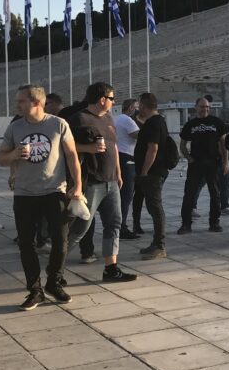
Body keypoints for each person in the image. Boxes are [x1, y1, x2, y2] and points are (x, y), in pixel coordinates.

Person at [0, 85, 83, 309]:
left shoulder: (58, 124)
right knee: (26, 244)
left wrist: (78, 186)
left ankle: (54, 282)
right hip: (25, 194)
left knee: (60, 242)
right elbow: (1, 158)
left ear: (36, 103)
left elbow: (72, 155)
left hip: (54, 191)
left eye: (21, 101)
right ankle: (35, 290)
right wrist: (14, 155)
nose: (17, 105)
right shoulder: (15, 127)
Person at [66, 83, 138, 282]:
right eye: (112, 99)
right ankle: (56, 267)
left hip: (111, 181)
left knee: (114, 223)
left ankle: (111, 268)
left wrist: (118, 172)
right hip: (91, 181)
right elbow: (66, 147)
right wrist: (88, 149)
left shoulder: (108, 118)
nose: (114, 102)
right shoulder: (79, 119)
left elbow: (113, 146)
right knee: (80, 227)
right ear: (102, 99)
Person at [177, 97, 227, 235]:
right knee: (189, 194)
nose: (205, 109)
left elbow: (223, 144)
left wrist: (225, 162)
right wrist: (188, 158)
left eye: (207, 107)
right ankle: (186, 224)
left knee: (215, 194)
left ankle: (214, 223)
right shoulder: (191, 124)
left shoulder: (217, 122)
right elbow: (182, 144)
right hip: (196, 164)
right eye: (202, 106)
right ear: (196, 107)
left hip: (213, 163)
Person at [134, 92, 170, 259]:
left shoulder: (154, 123)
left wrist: (144, 171)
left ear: (143, 105)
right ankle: (156, 243)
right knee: (153, 206)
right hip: (154, 171)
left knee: (155, 208)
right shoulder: (157, 121)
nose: (138, 108)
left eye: (139, 104)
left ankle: (159, 245)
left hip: (153, 173)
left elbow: (152, 148)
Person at [115, 98, 141, 240]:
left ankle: (118, 226)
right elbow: (140, 136)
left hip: (120, 156)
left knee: (122, 195)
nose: (138, 109)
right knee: (126, 195)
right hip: (126, 158)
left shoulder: (118, 118)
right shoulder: (127, 120)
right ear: (131, 107)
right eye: (136, 107)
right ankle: (122, 228)